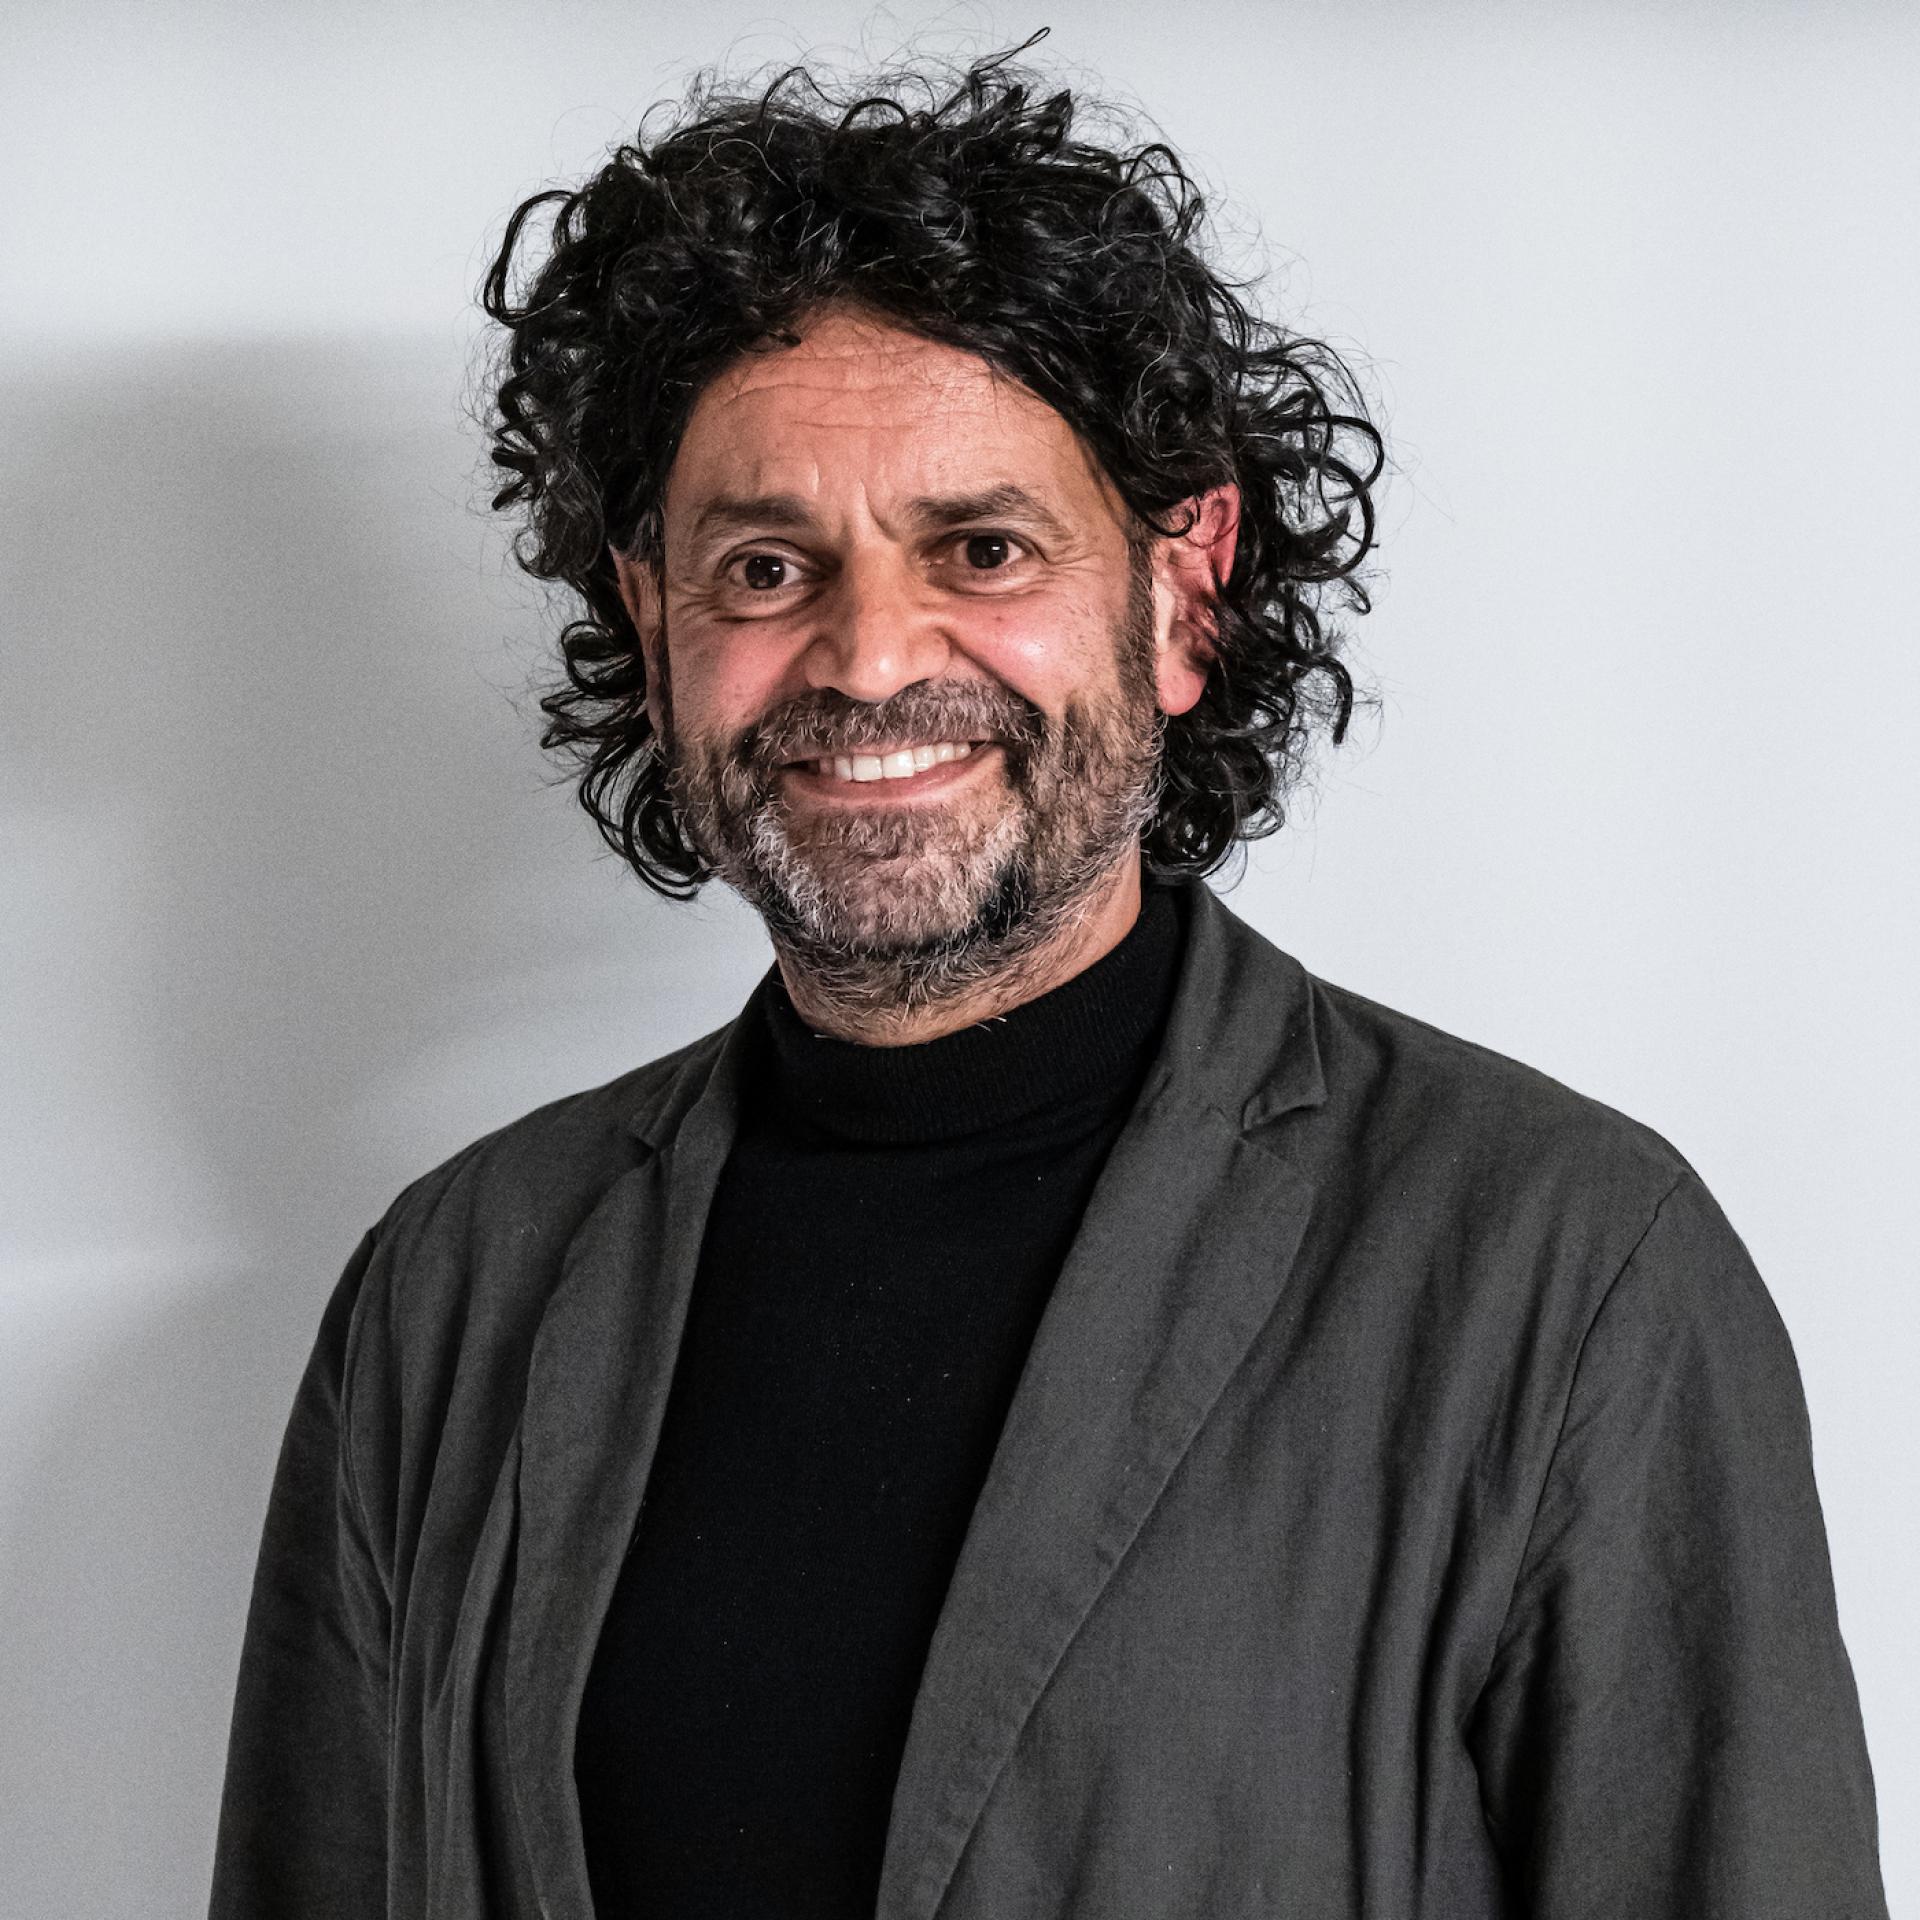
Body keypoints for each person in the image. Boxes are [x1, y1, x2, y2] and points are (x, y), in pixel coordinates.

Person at [209, 42, 1889, 1920]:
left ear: (1184, 591)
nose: (864, 661)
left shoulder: (1562, 1272)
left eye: (980, 547)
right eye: (766, 565)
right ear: (652, 616)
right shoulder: (454, 1291)